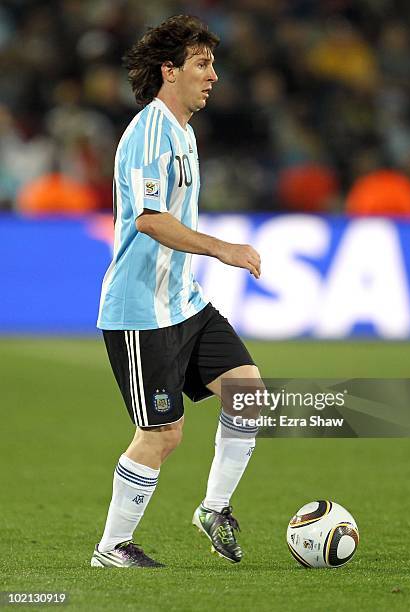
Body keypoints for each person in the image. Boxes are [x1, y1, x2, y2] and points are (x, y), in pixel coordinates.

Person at [91, 15, 263, 568]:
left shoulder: (184, 130)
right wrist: (223, 249)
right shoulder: (148, 131)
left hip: (183, 301)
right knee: (162, 436)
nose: (213, 76)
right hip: (141, 311)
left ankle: (214, 510)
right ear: (170, 71)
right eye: (202, 65)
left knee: (248, 394)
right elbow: (149, 219)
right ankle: (111, 547)